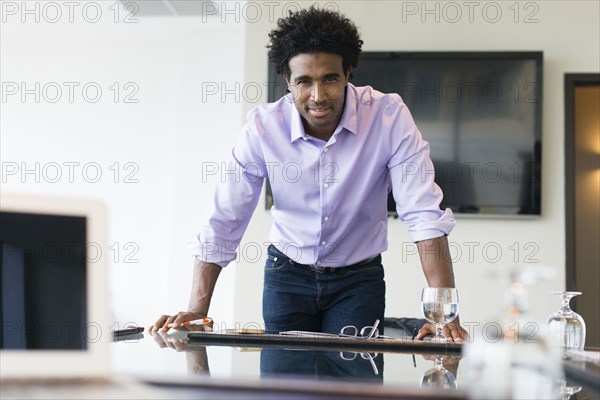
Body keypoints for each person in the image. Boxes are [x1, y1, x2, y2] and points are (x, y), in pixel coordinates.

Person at [150, 6, 467, 342]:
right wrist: (197, 308)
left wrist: (445, 315)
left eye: (330, 79)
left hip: (359, 279)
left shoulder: (388, 116)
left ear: (348, 72)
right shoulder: (262, 127)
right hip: (286, 275)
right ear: (287, 81)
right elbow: (226, 217)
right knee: (285, 390)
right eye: (304, 82)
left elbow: (422, 214)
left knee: (352, 389)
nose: (318, 96)